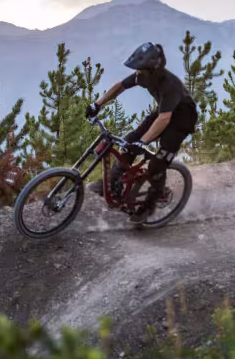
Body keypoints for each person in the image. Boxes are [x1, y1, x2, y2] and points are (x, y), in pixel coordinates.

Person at [85, 42, 198, 223]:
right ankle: (113, 185)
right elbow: (120, 86)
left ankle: (149, 207)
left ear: (152, 70)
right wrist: (97, 104)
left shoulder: (170, 85)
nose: (137, 74)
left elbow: (164, 120)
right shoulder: (144, 75)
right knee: (128, 143)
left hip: (181, 121)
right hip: (162, 112)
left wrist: (143, 142)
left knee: (156, 164)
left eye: (140, 70)